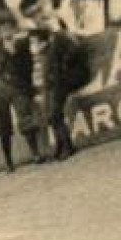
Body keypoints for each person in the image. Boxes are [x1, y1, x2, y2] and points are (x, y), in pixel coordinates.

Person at [0, 19, 43, 171]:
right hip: (2, 87)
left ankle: (35, 154)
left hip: (18, 86)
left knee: (26, 120)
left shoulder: (21, 43)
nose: (6, 33)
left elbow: (16, 51)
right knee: (3, 125)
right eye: (3, 30)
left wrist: (5, 42)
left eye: (8, 29)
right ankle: (8, 161)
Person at [35, 20, 79, 161]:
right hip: (51, 84)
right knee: (51, 116)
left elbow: (74, 51)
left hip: (58, 83)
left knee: (55, 115)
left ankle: (67, 146)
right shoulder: (49, 47)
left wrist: (64, 68)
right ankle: (61, 146)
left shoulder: (60, 38)